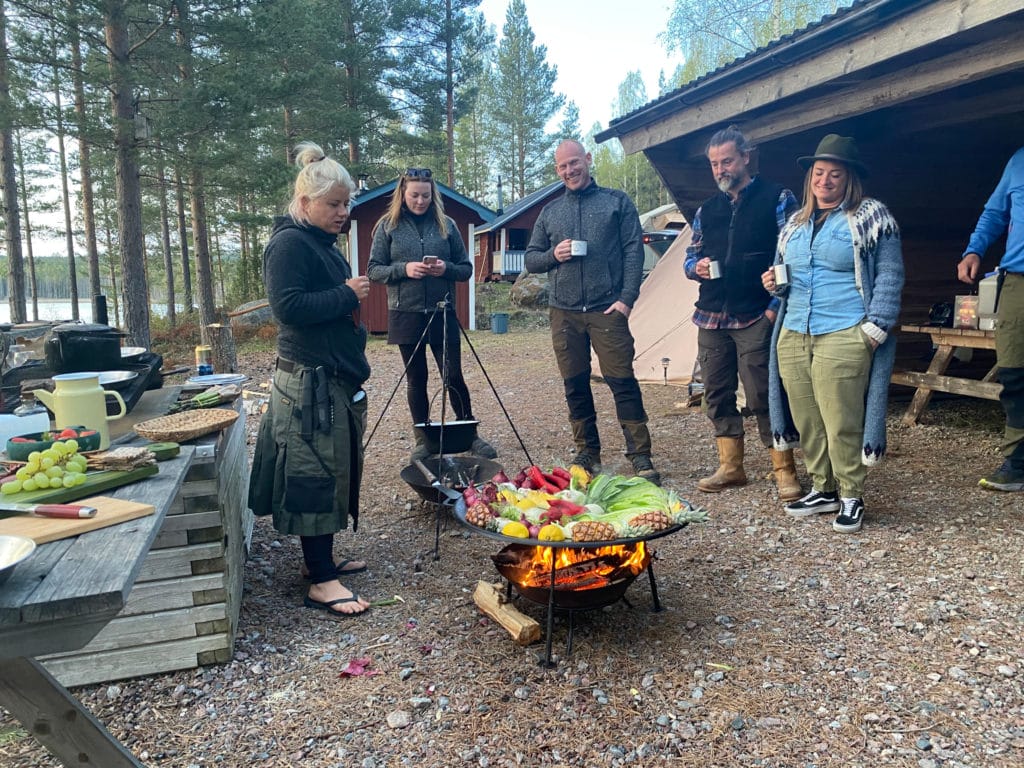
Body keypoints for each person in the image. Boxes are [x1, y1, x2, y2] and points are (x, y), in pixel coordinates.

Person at [248, 141, 372, 618]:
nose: (343, 212)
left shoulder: (319, 243)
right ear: (305, 204)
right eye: (334, 204)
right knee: (314, 474)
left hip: (329, 379)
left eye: (346, 204)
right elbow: (289, 309)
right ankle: (321, 580)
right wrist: (346, 294)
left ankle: (319, 560)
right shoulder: (288, 245)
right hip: (308, 383)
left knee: (329, 468)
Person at [763, 134, 904, 533]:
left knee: (840, 417)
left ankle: (850, 495)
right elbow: (787, 278)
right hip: (794, 329)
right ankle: (823, 488)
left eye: (834, 174)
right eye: (819, 173)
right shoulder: (795, 223)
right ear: (810, 177)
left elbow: (891, 273)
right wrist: (774, 282)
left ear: (849, 179)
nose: (825, 181)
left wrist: (876, 328)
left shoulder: (871, 216)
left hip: (844, 328)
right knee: (807, 416)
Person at [524, 139, 660, 485]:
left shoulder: (616, 202)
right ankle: (587, 451)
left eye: (574, 163)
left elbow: (633, 251)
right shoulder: (551, 211)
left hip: (607, 308)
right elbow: (531, 259)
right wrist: (554, 254)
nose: (569, 171)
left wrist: (627, 298)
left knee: (622, 382)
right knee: (575, 385)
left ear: (587, 159)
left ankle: (640, 454)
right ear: (557, 170)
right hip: (564, 312)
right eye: (562, 167)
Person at [683, 125, 801, 500]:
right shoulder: (706, 209)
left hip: (755, 313)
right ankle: (732, 467)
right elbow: (690, 256)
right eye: (715, 164)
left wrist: (773, 309)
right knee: (715, 393)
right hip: (711, 314)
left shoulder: (778, 198)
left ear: (746, 157)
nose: (721, 170)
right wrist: (695, 268)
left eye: (727, 161)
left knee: (764, 393)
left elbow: (793, 257)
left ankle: (784, 469)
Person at [367, 168, 496, 462]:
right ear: (403, 193)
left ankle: (469, 434)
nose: (420, 201)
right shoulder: (388, 226)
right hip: (405, 313)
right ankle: (423, 439)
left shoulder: (446, 225)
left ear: (433, 194)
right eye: (414, 195)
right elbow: (374, 270)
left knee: (453, 375)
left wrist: (445, 269)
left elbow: (465, 268)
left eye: (426, 195)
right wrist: (404, 269)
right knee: (417, 378)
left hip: (443, 311)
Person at [959, 147, 1024, 492]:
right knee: (1014, 371)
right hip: (1017, 279)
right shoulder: (1018, 161)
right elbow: (994, 213)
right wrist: (974, 249)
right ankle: (1017, 461)